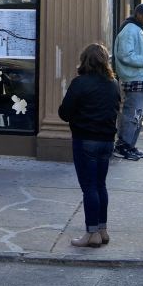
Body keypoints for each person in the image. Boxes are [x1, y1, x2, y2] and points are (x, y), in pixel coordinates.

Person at [58, 43, 121, 248]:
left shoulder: (80, 83)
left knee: (89, 188)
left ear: (84, 60)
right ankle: (102, 230)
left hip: (85, 139)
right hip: (106, 140)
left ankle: (91, 233)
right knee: (101, 185)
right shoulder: (113, 84)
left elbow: (64, 113)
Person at [112, 3, 143, 161]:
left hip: (140, 78)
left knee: (138, 114)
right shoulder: (130, 30)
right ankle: (123, 146)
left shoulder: (136, 30)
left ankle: (129, 145)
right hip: (134, 78)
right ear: (139, 15)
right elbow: (126, 55)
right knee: (133, 114)